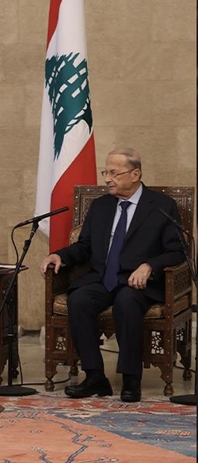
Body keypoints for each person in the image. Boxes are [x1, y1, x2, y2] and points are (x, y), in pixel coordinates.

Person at [39, 148, 185, 402]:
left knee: (126, 302)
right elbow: (84, 246)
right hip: (104, 278)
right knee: (79, 300)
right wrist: (59, 255)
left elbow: (177, 251)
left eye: (114, 173)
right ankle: (95, 376)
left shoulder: (162, 206)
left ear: (135, 174)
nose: (107, 179)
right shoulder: (101, 206)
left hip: (138, 283)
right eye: (105, 172)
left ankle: (131, 379)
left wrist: (150, 265)